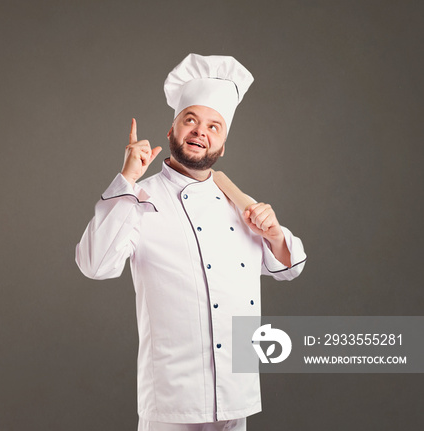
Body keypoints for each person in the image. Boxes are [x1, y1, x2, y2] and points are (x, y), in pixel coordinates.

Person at [75, 53, 307, 431]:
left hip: (236, 396)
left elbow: (291, 267)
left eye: (214, 126)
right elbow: (94, 264)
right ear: (172, 132)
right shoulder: (139, 197)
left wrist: (275, 233)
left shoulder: (238, 203)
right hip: (171, 402)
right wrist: (126, 181)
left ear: (223, 145)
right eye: (191, 120)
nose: (201, 131)